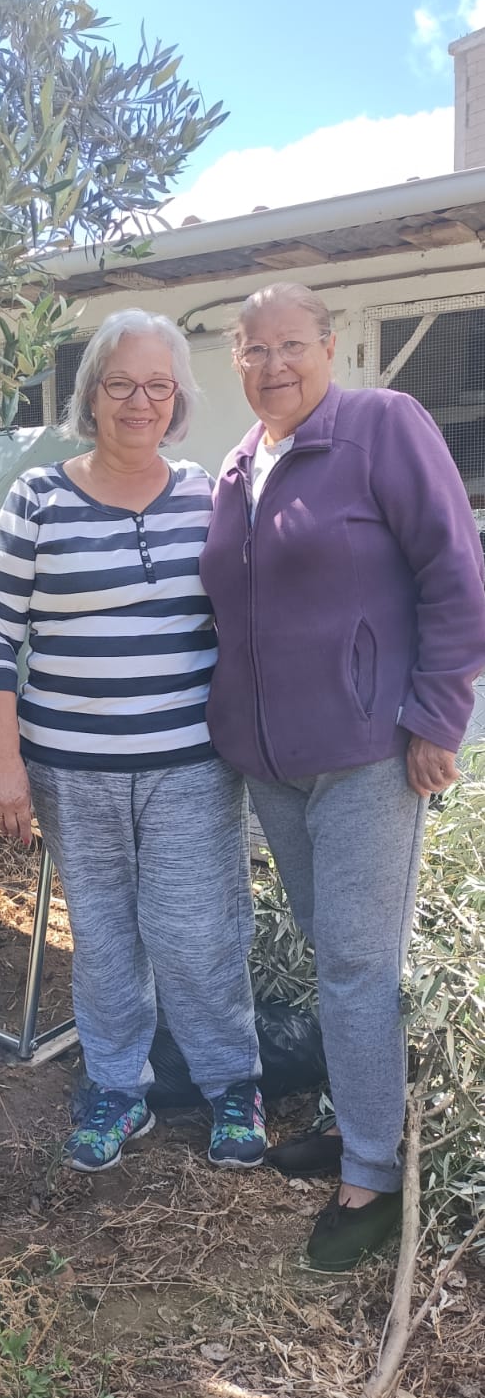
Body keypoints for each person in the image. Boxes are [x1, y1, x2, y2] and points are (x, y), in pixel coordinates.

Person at [200, 282, 485, 1271]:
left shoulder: (379, 425)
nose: (272, 364)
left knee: (357, 962)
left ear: (328, 345)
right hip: (274, 763)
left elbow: (454, 572)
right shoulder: (238, 467)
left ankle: (373, 1174)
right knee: (333, 953)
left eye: (291, 344)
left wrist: (435, 716)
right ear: (232, 361)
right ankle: (350, 1115)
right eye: (251, 349)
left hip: (368, 751)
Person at [0, 310, 264, 1173]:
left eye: (158, 386)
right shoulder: (38, 498)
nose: (140, 401)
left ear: (177, 400)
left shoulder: (210, 493)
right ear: (90, 393)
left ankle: (229, 1085)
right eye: (121, 384)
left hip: (190, 767)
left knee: (200, 932)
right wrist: (3, 763)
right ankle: (115, 1087)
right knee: (102, 937)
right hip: (72, 768)